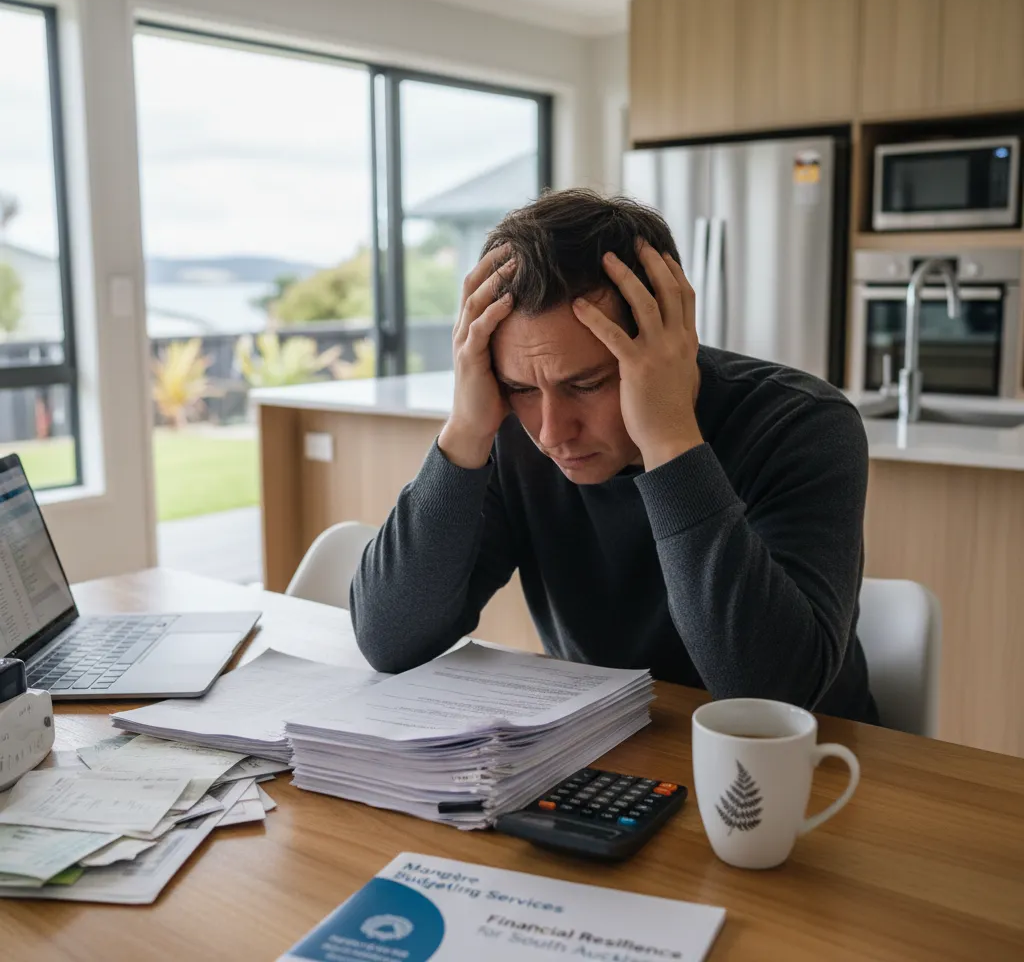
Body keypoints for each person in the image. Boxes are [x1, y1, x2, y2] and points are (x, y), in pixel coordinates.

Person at [351, 188, 877, 723]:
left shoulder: (801, 423)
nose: (552, 433)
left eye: (587, 384)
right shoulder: (507, 428)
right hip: (609, 749)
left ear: (670, 341)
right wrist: (464, 430)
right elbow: (389, 641)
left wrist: (669, 441)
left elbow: (770, 699)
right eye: (523, 388)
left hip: (808, 773)